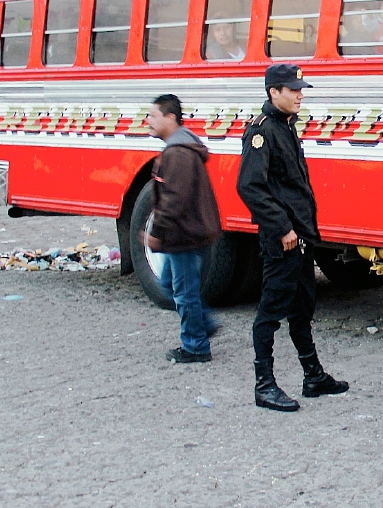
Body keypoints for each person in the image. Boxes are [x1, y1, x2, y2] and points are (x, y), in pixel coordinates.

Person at [237, 63, 349, 412]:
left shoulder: (286, 127)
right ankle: (264, 385)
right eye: (293, 90)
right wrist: (282, 227)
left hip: (300, 235)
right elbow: (250, 187)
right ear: (274, 92)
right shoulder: (262, 131)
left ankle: (312, 375)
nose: (301, 94)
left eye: (301, 88)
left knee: (302, 307)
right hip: (282, 239)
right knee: (271, 311)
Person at [144, 94, 223, 364]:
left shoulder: (177, 154)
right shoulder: (181, 148)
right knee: (170, 284)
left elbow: (174, 200)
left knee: (184, 292)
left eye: (153, 116)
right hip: (190, 233)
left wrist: (157, 233)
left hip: (185, 236)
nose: (148, 121)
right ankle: (203, 324)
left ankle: (196, 347)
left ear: (170, 118)